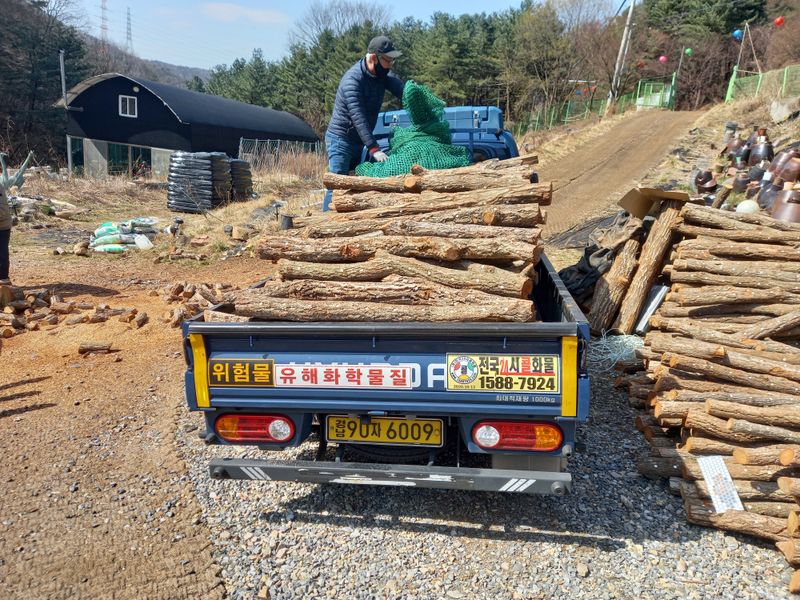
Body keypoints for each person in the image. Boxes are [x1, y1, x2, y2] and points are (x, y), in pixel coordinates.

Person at [323, 35, 406, 211]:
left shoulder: (381, 74)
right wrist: (373, 148)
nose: (391, 65)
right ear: (374, 57)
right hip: (340, 140)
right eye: (388, 60)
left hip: (360, 141)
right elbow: (358, 117)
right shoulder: (352, 81)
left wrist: (413, 93)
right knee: (337, 185)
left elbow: (399, 87)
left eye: (393, 61)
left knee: (361, 186)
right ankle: (324, 224)